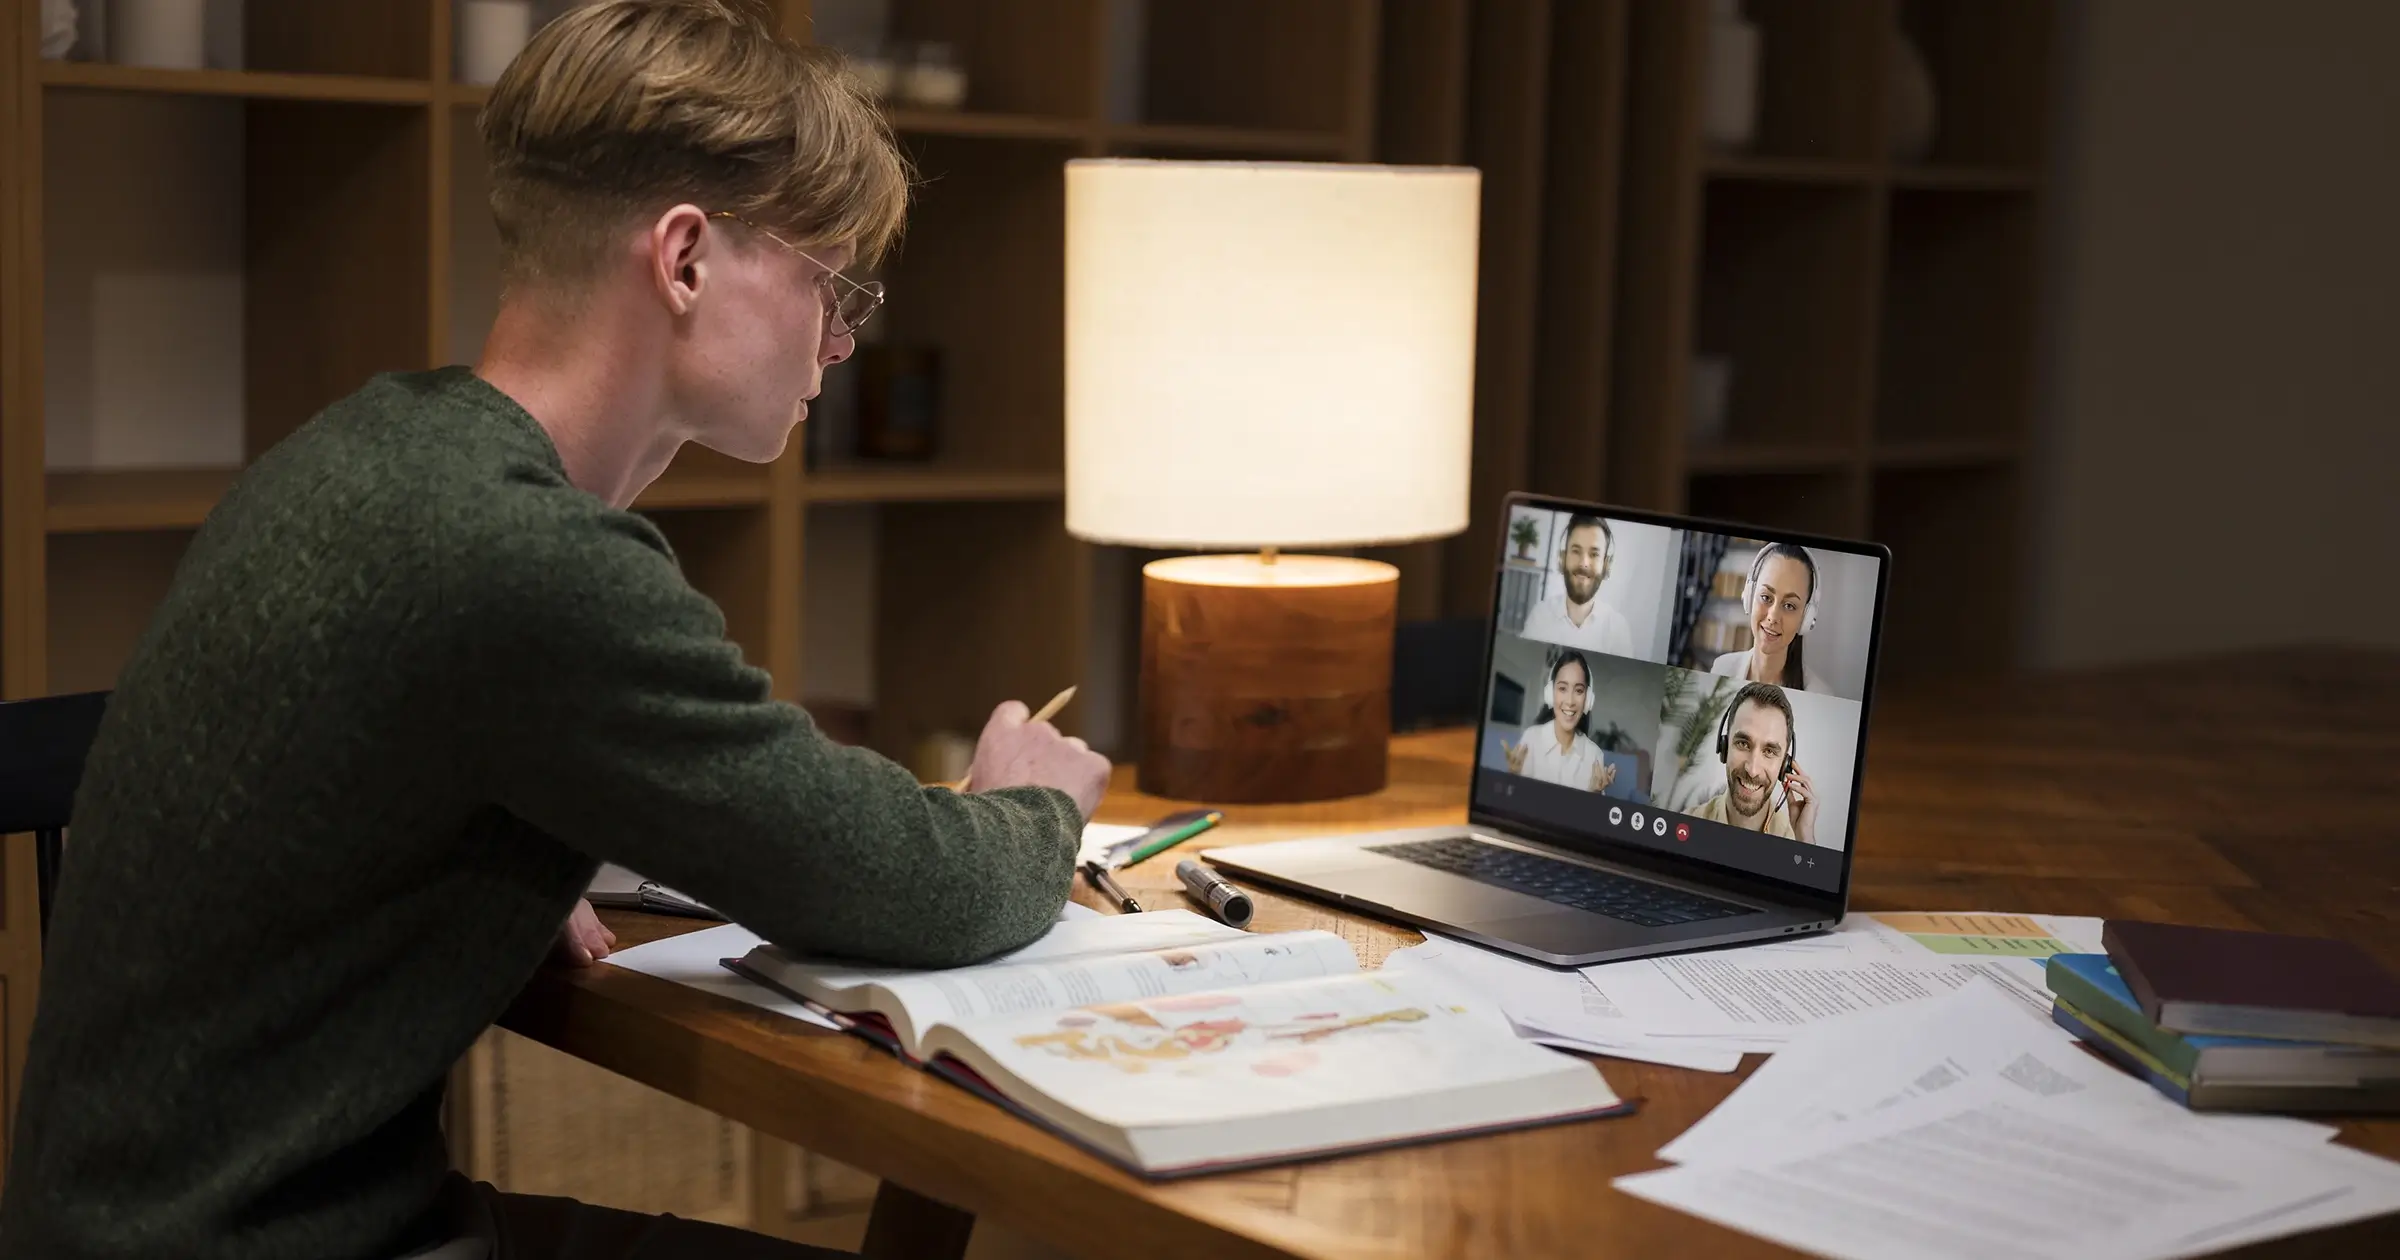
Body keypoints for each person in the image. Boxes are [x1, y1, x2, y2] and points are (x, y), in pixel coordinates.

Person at [0, 5, 1109, 1259]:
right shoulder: (523, 556)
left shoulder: (380, 442)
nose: (844, 338)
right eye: (829, 281)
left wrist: (522, 838)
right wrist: (1029, 811)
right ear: (685, 258)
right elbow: (891, 880)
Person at [1692, 682, 1819, 844]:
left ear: (1784, 765)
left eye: (1769, 751)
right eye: (1743, 744)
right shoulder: (1688, 822)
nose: (1752, 770)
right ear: (1724, 746)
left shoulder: (1797, 841)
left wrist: (1805, 840)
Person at [1711, 542, 1831, 692]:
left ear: (1806, 618)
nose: (1773, 617)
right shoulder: (1721, 668)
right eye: (1766, 597)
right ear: (1749, 596)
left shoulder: (1819, 693)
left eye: (1789, 606)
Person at [1518, 513, 1635, 656]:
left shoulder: (1618, 629)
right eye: (1576, 551)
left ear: (1606, 566)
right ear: (1562, 559)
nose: (1583, 563)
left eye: (1594, 554)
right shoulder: (1540, 616)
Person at [1503, 650, 1619, 794]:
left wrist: (1594, 794)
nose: (1570, 701)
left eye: (1578, 691)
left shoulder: (1594, 755)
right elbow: (1515, 802)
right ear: (1550, 695)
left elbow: (1589, 815)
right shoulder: (1531, 739)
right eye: (1562, 688)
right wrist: (1513, 778)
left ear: (1588, 700)